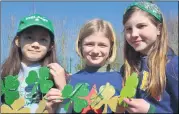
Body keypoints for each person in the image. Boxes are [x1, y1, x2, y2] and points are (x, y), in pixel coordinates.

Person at [45, 18, 123, 113]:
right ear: (80, 46)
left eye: (102, 45)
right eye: (89, 44)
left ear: (111, 48)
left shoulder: (121, 79)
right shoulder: (70, 80)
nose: (95, 51)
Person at [0, 13, 66, 113]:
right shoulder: (4, 72)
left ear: (50, 46)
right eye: (29, 37)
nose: (35, 44)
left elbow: (66, 110)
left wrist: (63, 88)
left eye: (43, 39)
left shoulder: (56, 74)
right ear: (18, 41)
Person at [120, 1, 178, 113]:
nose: (134, 34)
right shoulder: (126, 69)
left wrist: (150, 110)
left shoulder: (173, 66)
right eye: (128, 29)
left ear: (159, 29)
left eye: (141, 26)